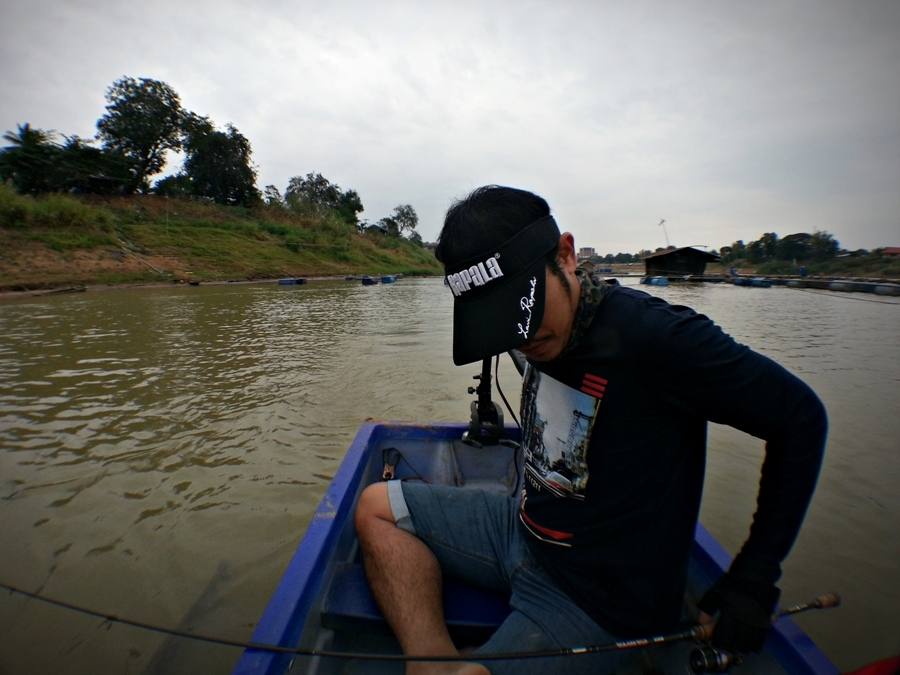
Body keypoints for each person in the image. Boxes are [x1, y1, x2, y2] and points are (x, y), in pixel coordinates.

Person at [354, 185, 827, 674]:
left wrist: (754, 577)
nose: (523, 339)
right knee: (374, 507)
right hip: (521, 533)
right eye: (499, 324)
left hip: (597, 597)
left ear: (566, 255)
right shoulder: (528, 334)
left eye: (526, 312)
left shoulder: (656, 337)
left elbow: (800, 418)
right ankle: (431, 661)